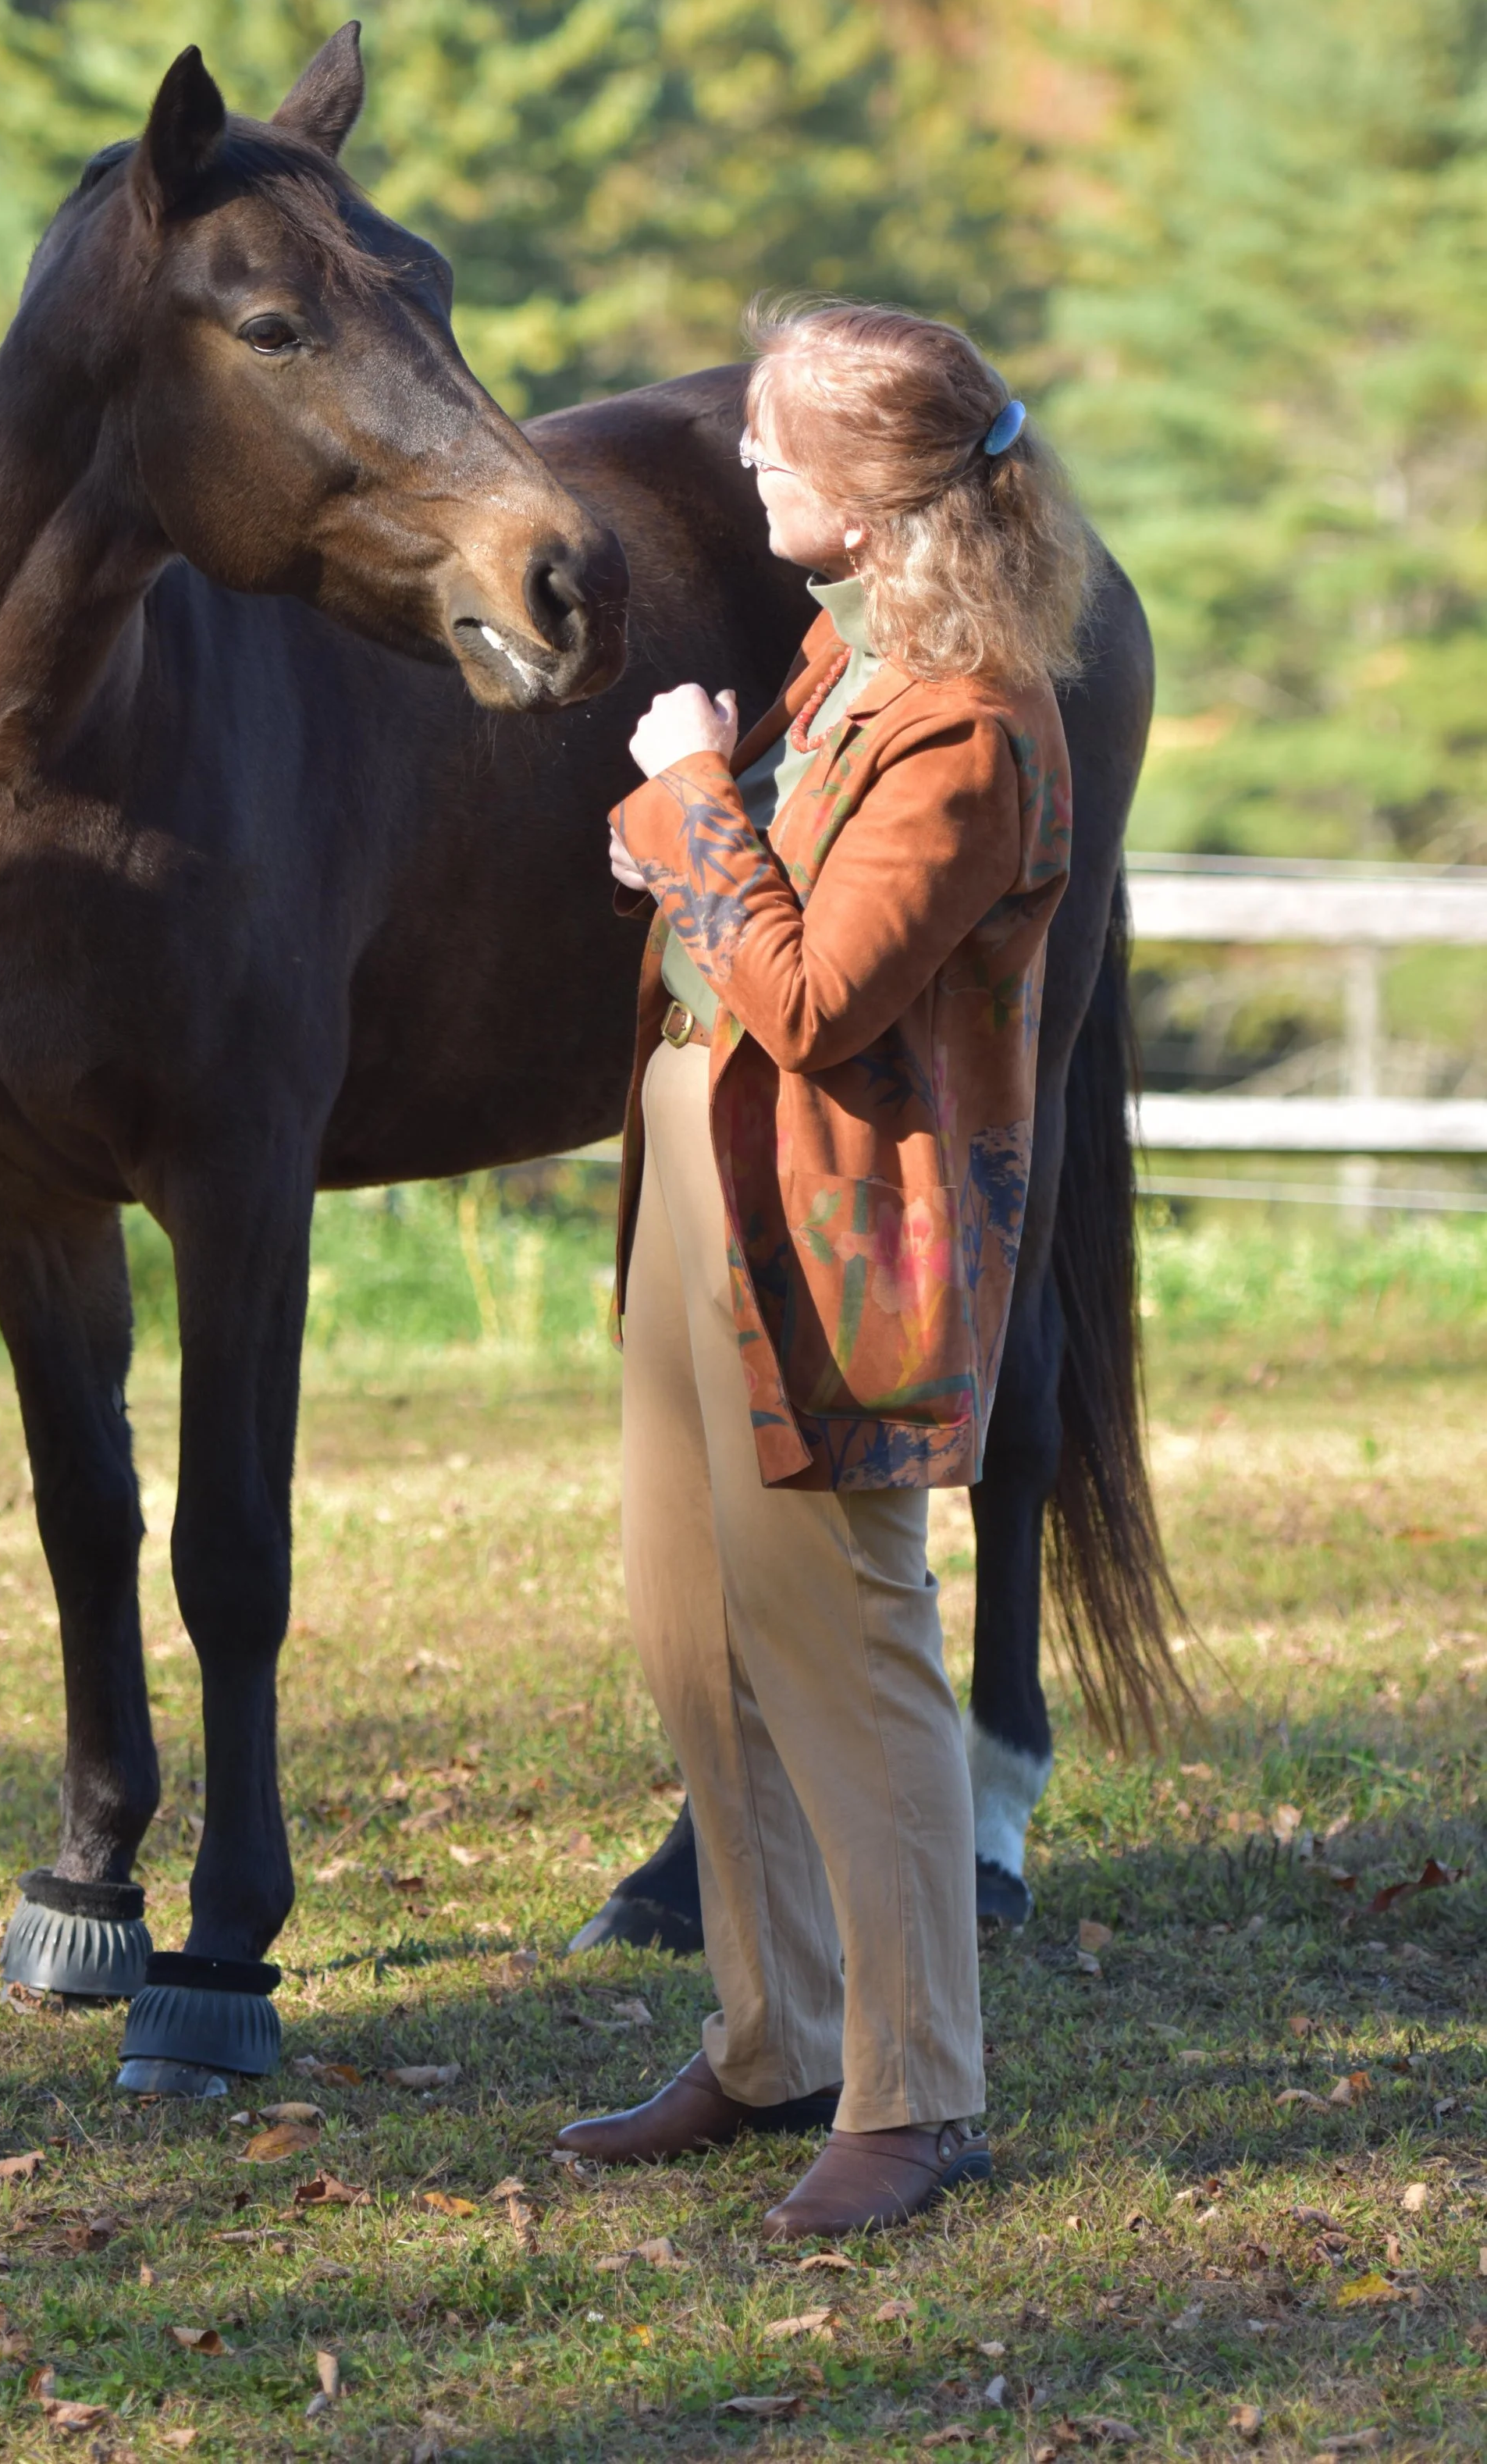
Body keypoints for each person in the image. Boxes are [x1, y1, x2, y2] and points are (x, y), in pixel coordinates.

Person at [557, 301, 1087, 2239]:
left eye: (779, 452)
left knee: (847, 1648)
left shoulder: (964, 728)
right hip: (712, 1179)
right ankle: (774, 2042)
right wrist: (692, 820)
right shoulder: (839, 661)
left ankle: (917, 2090)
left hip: (838, 1228)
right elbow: (728, 896)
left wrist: (691, 798)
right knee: (698, 1630)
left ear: (869, 503)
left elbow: (806, 993)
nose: (748, 471)